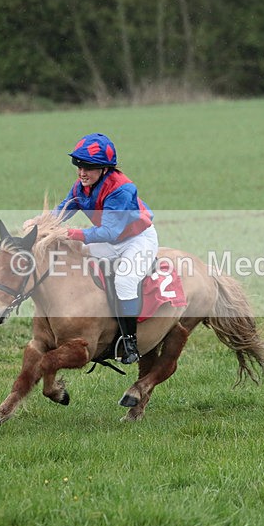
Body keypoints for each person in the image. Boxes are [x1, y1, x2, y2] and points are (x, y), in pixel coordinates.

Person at [55, 133, 158, 364]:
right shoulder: (82, 186)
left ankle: (129, 342)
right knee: (74, 259)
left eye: (89, 167)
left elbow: (109, 232)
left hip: (137, 240)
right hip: (113, 241)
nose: (82, 172)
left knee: (124, 280)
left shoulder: (121, 189)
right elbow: (64, 209)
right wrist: (40, 223)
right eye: (79, 165)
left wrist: (71, 233)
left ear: (104, 169)